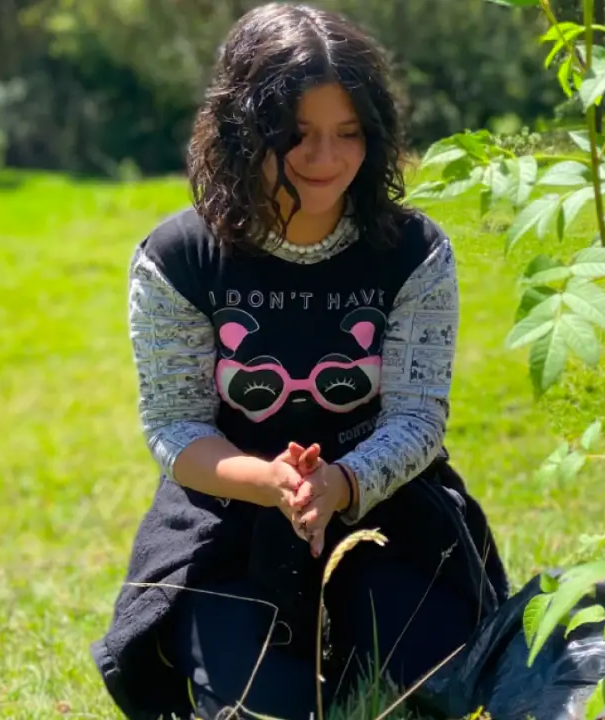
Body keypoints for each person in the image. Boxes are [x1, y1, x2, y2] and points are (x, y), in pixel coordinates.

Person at [89, 4, 508, 719]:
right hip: (229, 516)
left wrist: (339, 485)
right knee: (261, 708)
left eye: (349, 134)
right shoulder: (177, 259)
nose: (326, 159)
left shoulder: (416, 252)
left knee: (438, 684)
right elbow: (173, 428)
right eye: (296, 136)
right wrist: (274, 484)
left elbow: (418, 417)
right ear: (241, 132)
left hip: (386, 507)